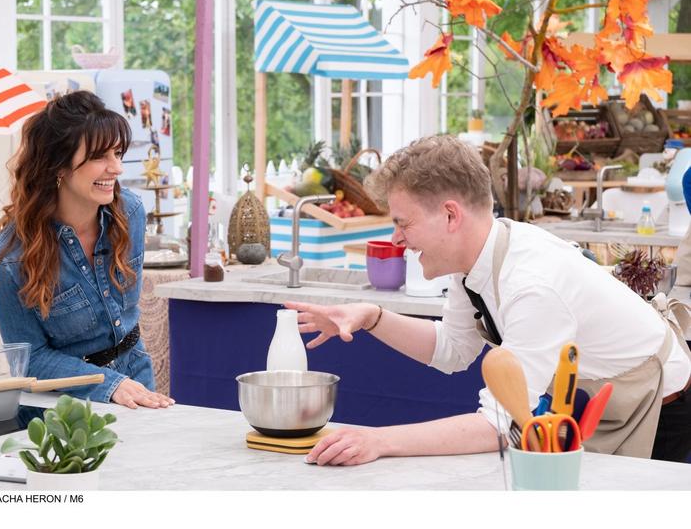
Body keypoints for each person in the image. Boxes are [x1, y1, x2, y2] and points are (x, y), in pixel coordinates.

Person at [288, 135, 691, 466]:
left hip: (661, 415)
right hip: (609, 406)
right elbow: (453, 349)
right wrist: (372, 317)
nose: (396, 239)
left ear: (450, 216)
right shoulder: (479, 258)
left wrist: (378, 441)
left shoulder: (532, 284)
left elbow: (499, 423)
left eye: (402, 223)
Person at [0, 90, 174, 410]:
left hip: (136, 382)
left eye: (117, 153)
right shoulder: (9, 259)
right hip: (62, 406)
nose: (116, 168)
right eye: (100, 156)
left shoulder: (129, 213)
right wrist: (110, 385)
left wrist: (125, 383)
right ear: (58, 166)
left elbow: (127, 320)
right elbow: (30, 360)